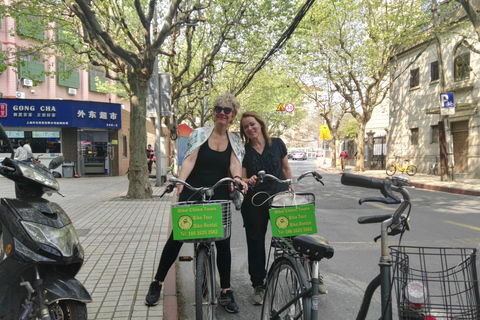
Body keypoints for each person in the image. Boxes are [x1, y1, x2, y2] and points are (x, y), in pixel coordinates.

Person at [145, 92, 248, 313]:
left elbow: (235, 166)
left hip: (218, 191)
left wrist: (237, 181)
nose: (221, 113)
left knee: (223, 243)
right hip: (193, 190)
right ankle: (158, 282)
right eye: (218, 109)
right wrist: (181, 182)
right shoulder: (200, 134)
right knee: (177, 237)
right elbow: (189, 159)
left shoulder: (236, 141)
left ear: (233, 115)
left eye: (226, 110)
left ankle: (226, 290)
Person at [238, 111, 327, 306]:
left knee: (296, 237)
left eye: (252, 124)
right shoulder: (244, 150)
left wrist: (290, 185)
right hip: (255, 202)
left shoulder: (277, 143)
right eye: (246, 127)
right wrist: (248, 180)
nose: (250, 129)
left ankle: (313, 275)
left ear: (260, 124)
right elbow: (242, 177)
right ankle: (258, 285)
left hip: (280, 198)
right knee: (255, 243)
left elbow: (286, 169)